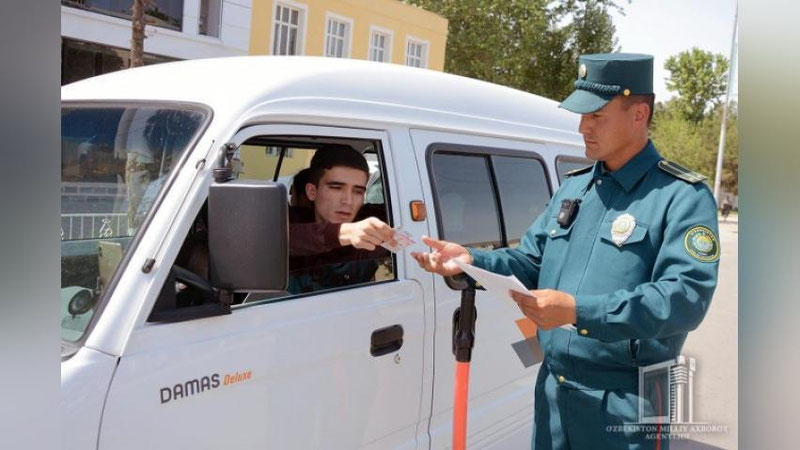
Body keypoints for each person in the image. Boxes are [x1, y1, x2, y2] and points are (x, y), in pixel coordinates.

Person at [412, 53, 720, 449]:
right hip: (555, 389)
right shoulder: (575, 187)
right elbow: (529, 260)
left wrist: (578, 311)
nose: (582, 127)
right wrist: (470, 262)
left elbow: (685, 298)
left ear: (639, 113)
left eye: (596, 116)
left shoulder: (681, 197)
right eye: (582, 116)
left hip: (625, 399)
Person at [288, 144, 396, 293]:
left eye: (358, 191)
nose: (348, 201)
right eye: (336, 188)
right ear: (312, 192)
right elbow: (276, 237)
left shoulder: (371, 223)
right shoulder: (292, 221)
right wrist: (342, 233)